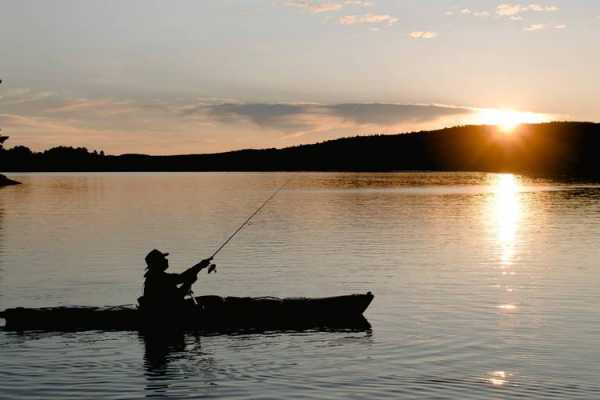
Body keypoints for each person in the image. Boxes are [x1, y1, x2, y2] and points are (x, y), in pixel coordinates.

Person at [141, 249, 213, 310]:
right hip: (166, 311)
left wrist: (199, 266)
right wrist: (189, 283)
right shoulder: (159, 278)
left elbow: (182, 278)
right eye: (163, 259)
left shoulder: (154, 276)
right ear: (158, 263)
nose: (166, 260)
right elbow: (178, 296)